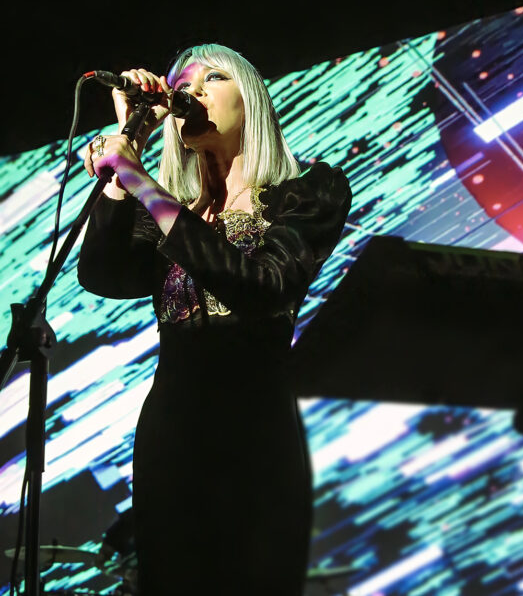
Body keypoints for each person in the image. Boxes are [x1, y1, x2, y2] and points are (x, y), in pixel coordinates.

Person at [77, 43, 352, 595]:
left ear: (250, 97)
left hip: (255, 431)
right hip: (171, 433)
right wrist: (126, 151)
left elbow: (263, 287)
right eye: (183, 84)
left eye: (213, 79)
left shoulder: (308, 190)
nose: (193, 93)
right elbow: (104, 275)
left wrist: (143, 185)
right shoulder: (169, 211)